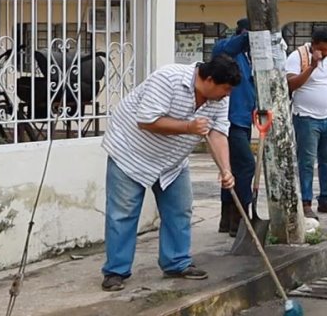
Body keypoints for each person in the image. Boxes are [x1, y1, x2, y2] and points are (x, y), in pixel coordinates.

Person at [100, 55, 241, 292]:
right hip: (130, 153)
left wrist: (225, 170)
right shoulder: (168, 78)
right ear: (207, 79)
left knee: (180, 209)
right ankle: (115, 271)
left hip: (172, 161)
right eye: (225, 89)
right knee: (122, 214)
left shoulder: (218, 98)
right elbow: (146, 120)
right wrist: (188, 126)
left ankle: (176, 262)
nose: (227, 95)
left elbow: (217, 132)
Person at [286, 27, 327, 219]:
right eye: (323, 50)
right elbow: (290, 84)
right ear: (314, 45)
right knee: (306, 162)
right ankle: (306, 203)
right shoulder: (297, 57)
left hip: (326, 117)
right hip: (305, 118)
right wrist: (312, 66)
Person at [212, 17, 257, 237]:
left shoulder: (249, 59)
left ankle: (228, 219)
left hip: (245, 120)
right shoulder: (226, 50)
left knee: (233, 168)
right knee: (247, 165)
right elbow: (230, 47)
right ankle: (241, 216)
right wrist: (250, 34)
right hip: (230, 121)